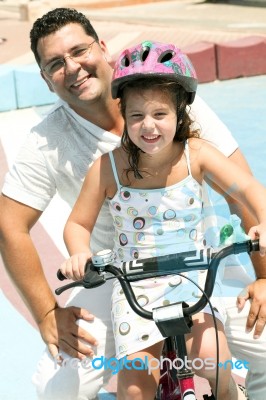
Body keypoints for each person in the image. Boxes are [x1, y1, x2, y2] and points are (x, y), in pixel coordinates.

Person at [0, 7, 265, 400]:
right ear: (44, 78)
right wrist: (46, 313)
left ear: (102, 48)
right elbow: (10, 224)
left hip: (199, 261)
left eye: (79, 51)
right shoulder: (66, 148)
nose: (72, 68)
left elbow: (244, 191)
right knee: (58, 390)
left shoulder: (182, 116)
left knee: (235, 359)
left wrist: (263, 276)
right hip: (119, 275)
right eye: (56, 63)